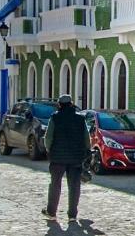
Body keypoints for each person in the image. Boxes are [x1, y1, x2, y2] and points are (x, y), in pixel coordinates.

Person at [41, 94, 89, 222]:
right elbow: (86, 137)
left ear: (59, 105)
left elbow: (48, 137)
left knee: (55, 185)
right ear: (72, 104)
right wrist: (86, 151)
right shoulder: (80, 119)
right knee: (74, 186)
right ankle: (72, 215)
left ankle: (51, 212)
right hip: (76, 157)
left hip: (57, 157)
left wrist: (48, 149)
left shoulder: (55, 118)